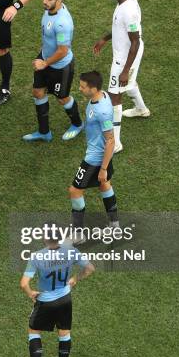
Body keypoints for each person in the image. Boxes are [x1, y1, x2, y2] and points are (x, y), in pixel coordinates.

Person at [19, 238, 95, 357]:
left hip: (46, 301)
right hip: (65, 299)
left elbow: (23, 284)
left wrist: (30, 293)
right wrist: (75, 278)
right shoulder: (70, 250)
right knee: (64, 333)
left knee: (34, 331)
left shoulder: (37, 256)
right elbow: (90, 268)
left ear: (45, 239)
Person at [93, 0, 149, 153]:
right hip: (126, 55)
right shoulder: (127, 1)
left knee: (114, 97)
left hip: (125, 58)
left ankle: (115, 143)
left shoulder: (129, 11)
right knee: (128, 84)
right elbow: (119, 28)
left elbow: (135, 41)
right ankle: (141, 109)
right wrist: (105, 39)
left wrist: (124, 70)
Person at [23, 0, 83, 142]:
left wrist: (44, 63)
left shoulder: (62, 23)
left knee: (62, 98)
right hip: (46, 57)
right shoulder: (50, 10)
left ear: (59, 0)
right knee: (37, 92)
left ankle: (77, 124)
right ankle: (44, 132)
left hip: (60, 66)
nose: (44, 1)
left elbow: (63, 51)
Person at [68, 71, 119, 238]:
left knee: (75, 191)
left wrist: (103, 168)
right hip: (101, 154)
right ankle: (114, 225)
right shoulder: (101, 95)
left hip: (95, 158)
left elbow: (110, 140)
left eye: (83, 87)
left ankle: (78, 234)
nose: (80, 89)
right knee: (104, 185)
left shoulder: (102, 112)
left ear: (94, 88)